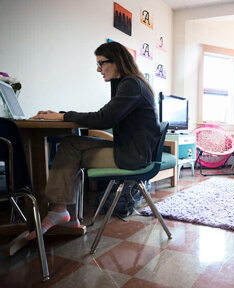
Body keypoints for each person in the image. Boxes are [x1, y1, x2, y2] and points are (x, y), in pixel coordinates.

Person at [27, 41, 160, 240]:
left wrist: (63, 116)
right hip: (131, 149)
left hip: (134, 156)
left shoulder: (131, 84)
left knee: (71, 147)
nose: (99, 69)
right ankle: (67, 215)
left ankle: (61, 212)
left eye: (102, 63)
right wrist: (63, 114)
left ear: (117, 62)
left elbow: (103, 118)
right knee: (71, 144)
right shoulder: (128, 83)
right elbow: (105, 115)